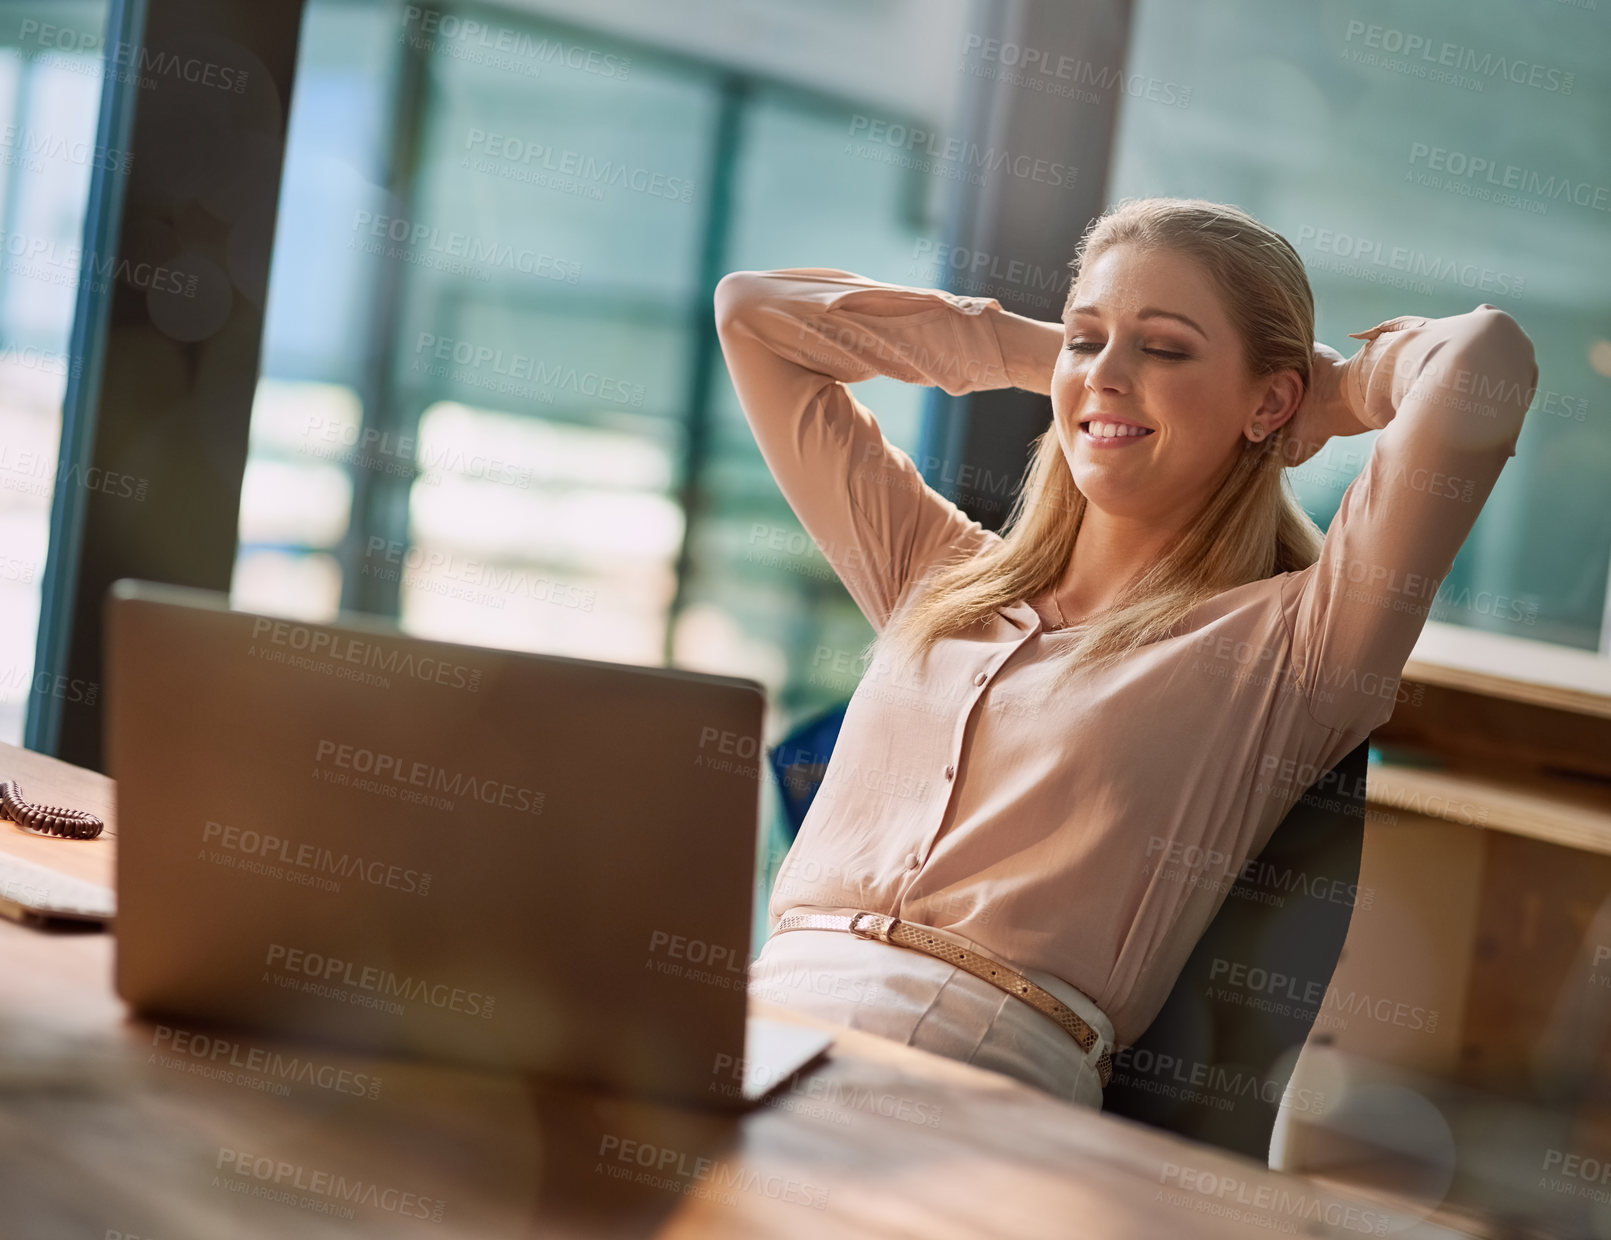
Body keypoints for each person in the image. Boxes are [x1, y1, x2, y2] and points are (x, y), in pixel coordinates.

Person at [713, 196, 1538, 1110]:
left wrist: (1334, 395)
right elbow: (753, 313)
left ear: (1270, 399)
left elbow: (1484, 362)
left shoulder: (1295, 648)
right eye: (1086, 337)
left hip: (968, 1064)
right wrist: (1059, 360)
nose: (1106, 373)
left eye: (1168, 347)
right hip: (751, 1020)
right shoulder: (937, 573)